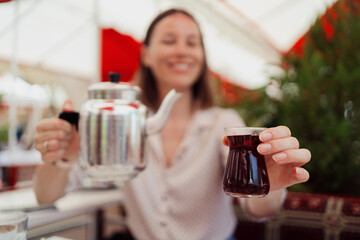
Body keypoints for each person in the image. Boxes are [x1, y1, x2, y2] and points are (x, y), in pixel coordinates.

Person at [33, 8, 311, 240]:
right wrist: (63, 158)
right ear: (146, 55)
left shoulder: (223, 123)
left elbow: (258, 210)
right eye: (169, 40)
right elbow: (46, 196)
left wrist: (269, 186)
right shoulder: (127, 123)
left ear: (201, 58)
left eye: (192, 43)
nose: (182, 50)